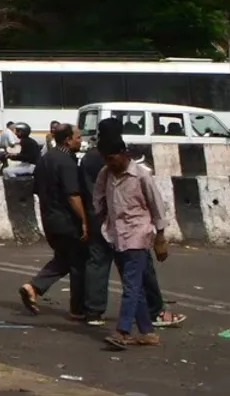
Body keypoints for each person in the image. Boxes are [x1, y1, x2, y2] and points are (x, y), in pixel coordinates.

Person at [78, 120, 186, 330]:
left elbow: (153, 204)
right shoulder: (107, 168)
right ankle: (139, 323)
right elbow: (99, 196)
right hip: (113, 229)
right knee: (135, 282)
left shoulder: (99, 162)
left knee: (105, 270)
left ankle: (98, 312)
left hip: (125, 231)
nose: (110, 163)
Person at [94, 125, 168, 349]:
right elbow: (98, 199)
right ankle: (147, 332)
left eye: (113, 158)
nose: (111, 163)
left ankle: (123, 330)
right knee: (135, 287)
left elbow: (157, 206)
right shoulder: (105, 174)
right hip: (116, 236)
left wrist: (160, 237)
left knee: (131, 286)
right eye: (106, 159)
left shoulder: (141, 175)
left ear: (124, 154)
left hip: (138, 235)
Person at [19, 122, 87, 317]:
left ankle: (33, 288)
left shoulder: (45, 159)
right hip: (66, 221)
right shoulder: (66, 162)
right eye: (78, 137)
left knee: (64, 259)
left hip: (49, 219)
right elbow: (73, 195)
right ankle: (78, 308)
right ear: (67, 139)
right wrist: (84, 220)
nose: (80, 141)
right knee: (77, 263)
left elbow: (37, 190)